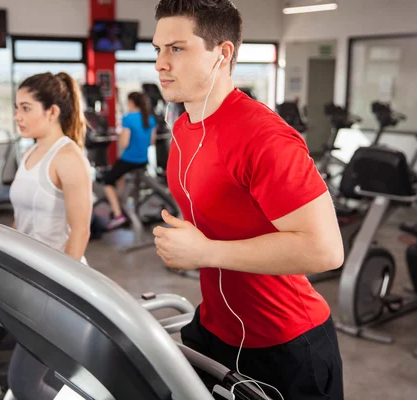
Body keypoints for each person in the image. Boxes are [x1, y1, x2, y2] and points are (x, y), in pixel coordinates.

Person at [150, 1, 345, 399]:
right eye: (158, 49)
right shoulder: (185, 125)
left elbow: (325, 251)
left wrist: (205, 251)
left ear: (222, 54)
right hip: (216, 329)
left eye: (177, 48)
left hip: (286, 343)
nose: (160, 64)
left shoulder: (264, 137)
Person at [10, 72, 92, 263]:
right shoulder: (28, 154)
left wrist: (63, 281)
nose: (17, 117)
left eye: (26, 108)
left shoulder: (69, 158)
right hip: (29, 266)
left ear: (52, 112)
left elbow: (80, 231)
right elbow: (21, 220)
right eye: (17, 108)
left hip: (57, 272)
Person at [103, 92, 157, 230]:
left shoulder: (128, 118)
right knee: (120, 178)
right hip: (143, 160)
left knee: (107, 182)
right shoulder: (150, 118)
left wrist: (120, 133)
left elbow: (124, 144)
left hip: (129, 160)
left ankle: (118, 214)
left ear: (131, 103)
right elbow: (151, 142)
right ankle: (121, 202)